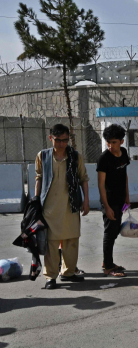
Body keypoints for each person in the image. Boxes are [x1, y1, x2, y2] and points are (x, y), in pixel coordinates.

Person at [34, 124, 90, 289]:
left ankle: (68, 273)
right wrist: (36, 200)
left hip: (71, 206)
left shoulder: (75, 156)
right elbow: (39, 178)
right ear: (51, 138)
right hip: (49, 208)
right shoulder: (42, 156)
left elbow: (83, 179)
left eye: (65, 140)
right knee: (51, 243)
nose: (61, 144)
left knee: (71, 240)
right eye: (58, 140)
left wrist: (86, 200)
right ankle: (50, 277)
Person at [97, 124, 129, 278]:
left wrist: (128, 196)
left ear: (121, 142)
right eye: (108, 142)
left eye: (114, 142)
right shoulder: (104, 158)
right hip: (109, 201)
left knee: (116, 230)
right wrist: (106, 206)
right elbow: (101, 184)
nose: (110, 145)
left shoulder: (124, 153)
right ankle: (108, 266)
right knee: (110, 233)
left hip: (120, 200)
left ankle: (107, 262)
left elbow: (125, 175)